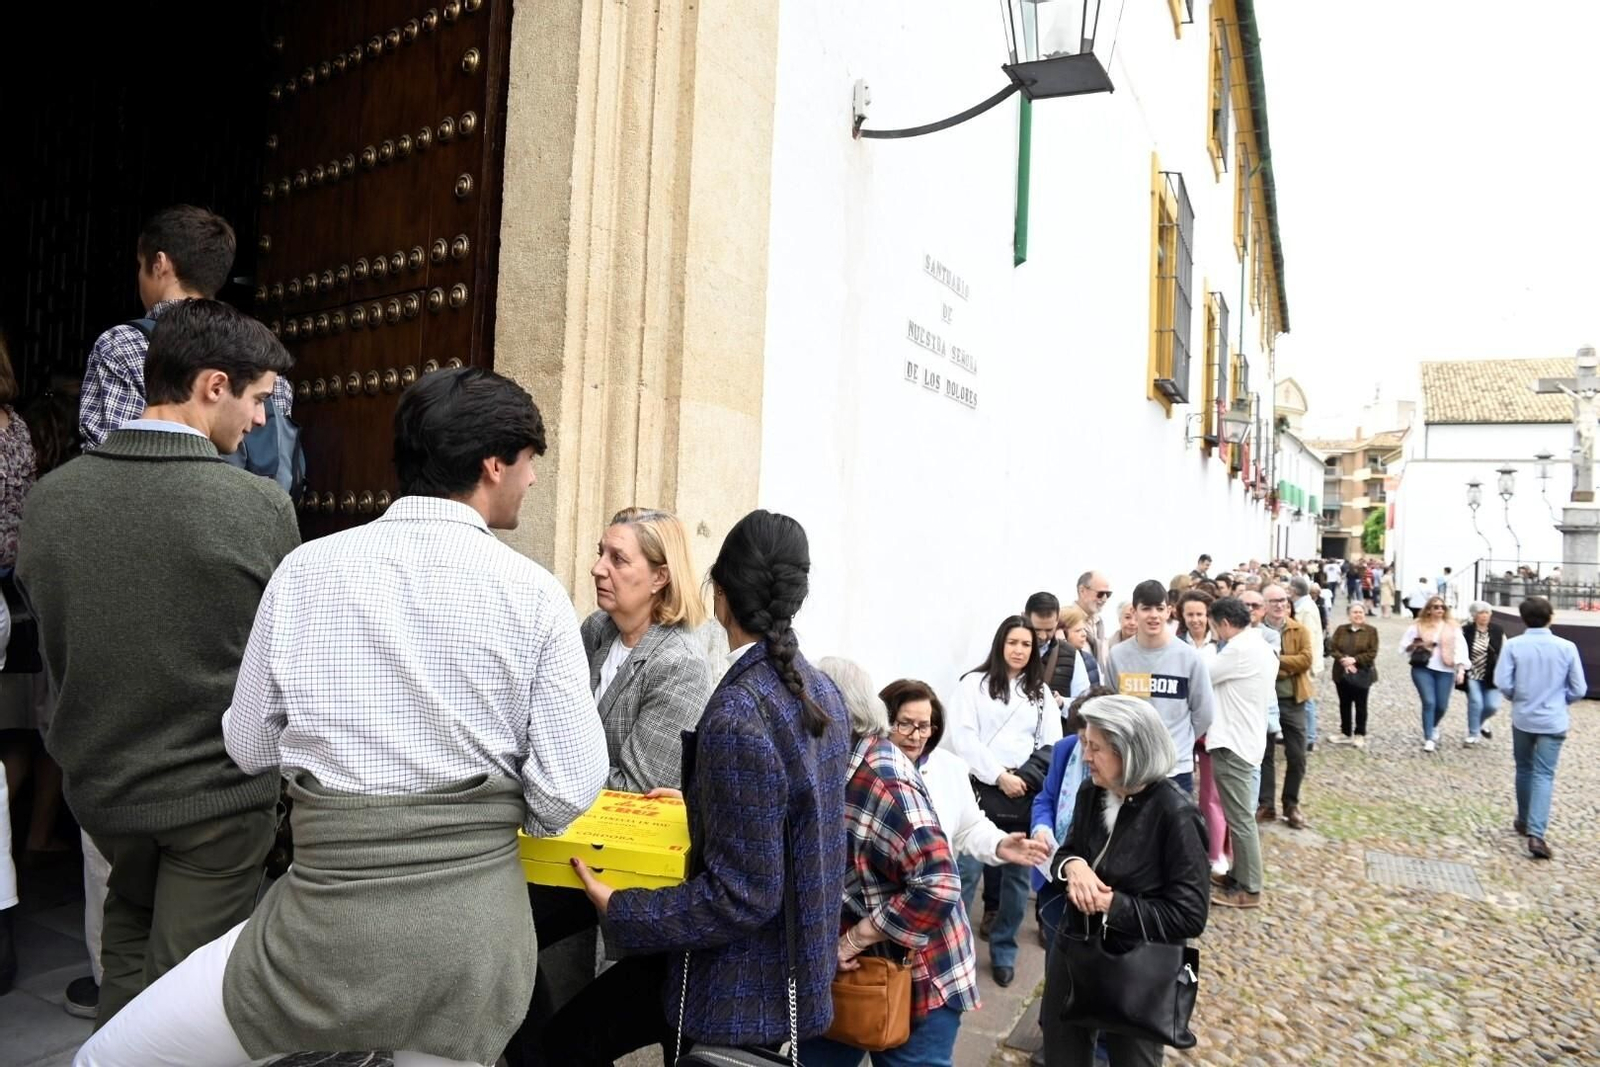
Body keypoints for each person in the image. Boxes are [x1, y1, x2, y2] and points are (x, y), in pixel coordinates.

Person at [71, 365, 611, 1066]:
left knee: (110, 1057)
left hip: (324, 932)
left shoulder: (307, 570)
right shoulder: (536, 594)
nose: (533, 480)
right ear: (493, 464)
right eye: (531, 462)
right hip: (471, 946)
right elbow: (569, 787)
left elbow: (247, 743)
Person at [18, 300, 297, 1029]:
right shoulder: (257, 506)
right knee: (184, 1009)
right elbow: (277, 664)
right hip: (217, 799)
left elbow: (62, 651)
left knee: (128, 963)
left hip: (106, 793)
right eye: (260, 398)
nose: (264, 421)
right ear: (213, 385)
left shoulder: (51, 502)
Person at [555, 510, 852, 1064]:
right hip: (774, 978)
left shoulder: (740, 711)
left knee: (556, 1049)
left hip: (731, 984)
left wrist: (621, 907)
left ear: (720, 591)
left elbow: (744, 894)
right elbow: (789, 819)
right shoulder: (822, 690)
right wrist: (700, 806)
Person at [502, 506, 714, 1066]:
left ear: (661, 576)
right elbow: (541, 719)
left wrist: (542, 774)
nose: (598, 568)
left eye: (618, 558)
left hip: (617, 868)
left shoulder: (679, 664)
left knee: (504, 946)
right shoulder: (596, 631)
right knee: (495, 941)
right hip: (564, 843)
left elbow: (636, 790)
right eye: (601, 551)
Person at [798, 659, 973, 1067]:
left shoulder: (883, 779)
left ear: (835, 716)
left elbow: (939, 883)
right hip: (855, 974)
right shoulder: (835, 763)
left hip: (918, 978)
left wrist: (854, 938)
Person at [1041, 695, 1209, 1067]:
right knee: (1061, 1051)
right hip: (1076, 949)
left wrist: (1110, 904)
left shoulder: (1176, 815)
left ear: (1129, 750)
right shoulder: (1093, 792)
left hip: (1141, 967)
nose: (1086, 757)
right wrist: (1074, 866)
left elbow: (1190, 915)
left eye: (1096, 748)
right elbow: (1065, 852)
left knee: (1133, 1060)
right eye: (1086, 744)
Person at [78, 205, 294, 450]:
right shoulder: (266, 365)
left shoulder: (122, 345)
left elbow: (110, 459)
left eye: (140, 265)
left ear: (160, 263)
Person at [945, 616, 1061, 986]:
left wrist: (1022, 779)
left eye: (1026, 644)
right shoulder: (974, 686)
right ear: (1000, 644)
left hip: (1024, 790)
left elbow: (1050, 743)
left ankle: (1004, 950)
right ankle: (950, 948)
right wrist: (998, 775)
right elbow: (964, 737)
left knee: (1015, 879)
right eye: (1013, 642)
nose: (1019, 650)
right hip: (982, 789)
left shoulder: (1040, 693)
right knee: (966, 873)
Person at [1494, 597, 1586, 861]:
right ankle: (1537, 832)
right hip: (1553, 718)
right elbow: (1578, 688)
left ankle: (1524, 819)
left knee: (1524, 768)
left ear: (1523, 619)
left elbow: (1503, 681)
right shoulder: (1567, 647)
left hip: (1524, 716)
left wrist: (1517, 697)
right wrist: (1561, 701)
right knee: (1544, 774)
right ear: (1551, 617)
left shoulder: (1514, 646)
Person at [1103, 580, 1215, 794]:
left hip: (1176, 769)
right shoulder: (1117, 655)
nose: (1153, 615)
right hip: (1133, 768)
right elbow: (1111, 708)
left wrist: (1178, 743)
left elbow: (1204, 713)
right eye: (1146, 608)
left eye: (1159, 608)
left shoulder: (1190, 657)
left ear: (1169, 612)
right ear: (1134, 613)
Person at [1203, 598, 1276, 909]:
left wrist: (1207, 647)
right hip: (1245, 738)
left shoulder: (1238, 649)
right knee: (1238, 815)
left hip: (1234, 742)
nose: (1215, 634)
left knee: (1241, 818)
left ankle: (1250, 888)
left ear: (1224, 624)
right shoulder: (1260, 646)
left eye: (1214, 628)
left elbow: (1205, 674)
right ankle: (1237, 874)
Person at [1257, 584, 1312, 828]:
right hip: (1264, 700)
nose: (1280, 604)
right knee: (1264, 753)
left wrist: (1276, 662)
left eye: (1283, 600)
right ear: (1264, 605)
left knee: (1297, 755)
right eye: (1274, 601)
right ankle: (1266, 804)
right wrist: (1283, 665)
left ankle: (1291, 803)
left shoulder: (1298, 629)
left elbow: (1306, 660)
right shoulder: (1255, 632)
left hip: (1293, 700)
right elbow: (1255, 663)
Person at [1401, 595, 1464, 753]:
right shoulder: (1419, 625)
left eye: (1442, 607)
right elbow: (1403, 647)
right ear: (1428, 609)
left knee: (1442, 705)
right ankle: (1429, 737)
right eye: (1436, 607)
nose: (1440, 610)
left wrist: (1461, 668)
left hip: (1446, 668)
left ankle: (1434, 724)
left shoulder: (1452, 627)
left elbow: (1461, 648)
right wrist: (1417, 644)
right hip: (1423, 668)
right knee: (1429, 702)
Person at [1328, 603, 1379, 746]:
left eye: (1360, 612)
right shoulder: (1341, 630)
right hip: (1341, 672)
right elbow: (1332, 648)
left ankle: (1360, 733)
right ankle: (1345, 732)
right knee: (1344, 703)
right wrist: (1344, 660)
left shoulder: (1371, 631)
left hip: (1362, 673)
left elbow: (1372, 653)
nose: (1358, 615)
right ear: (1349, 615)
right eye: (1355, 612)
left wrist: (1355, 660)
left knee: (1361, 704)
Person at [1459, 602, 1505, 746]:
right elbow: (1459, 650)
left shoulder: (1498, 630)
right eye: (1481, 613)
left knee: (1492, 706)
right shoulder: (1466, 630)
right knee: (1476, 702)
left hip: (1493, 674)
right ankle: (1473, 733)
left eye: (1487, 613)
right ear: (1474, 615)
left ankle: (1481, 722)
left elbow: (1505, 651)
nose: (1484, 616)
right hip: (1473, 673)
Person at [1289, 577, 1324, 751]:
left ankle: (1310, 737)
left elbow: (1309, 636)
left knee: (1306, 698)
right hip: (1301, 659)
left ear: (1294, 591)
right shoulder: (1302, 606)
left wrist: (1304, 659)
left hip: (1306, 660)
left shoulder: (1306, 609)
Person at [1026, 591, 1071, 708]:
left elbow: (1083, 701)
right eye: (1037, 630)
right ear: (1025, 618)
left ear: (1057, 621)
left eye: (1049, 630)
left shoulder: (1072, 655)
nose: (1043, 636)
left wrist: (1062, 702)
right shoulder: (1008, 650)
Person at [1074, 572, 1114, 664]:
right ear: (1082, 591)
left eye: (1108, 594)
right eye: (1100, 593)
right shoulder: (1067, 621)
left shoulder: (1099, 624)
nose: (1104, 599)